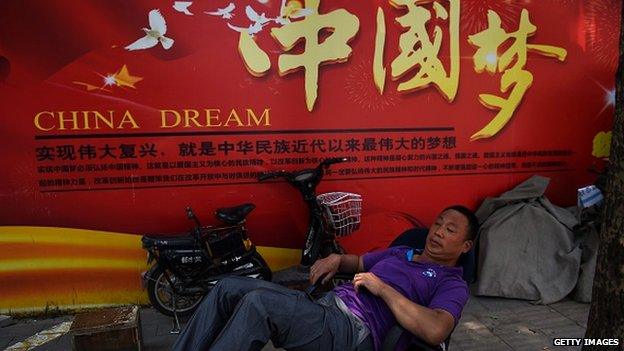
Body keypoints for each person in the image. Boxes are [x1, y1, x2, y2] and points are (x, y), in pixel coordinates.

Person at [172, 205, 478, 351]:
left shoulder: (450, 282)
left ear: (465, 246)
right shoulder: (402, 252)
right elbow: (356, 261)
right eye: (438, 223)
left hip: (351, 330)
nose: (438, 232)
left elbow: (437, 329)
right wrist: (335, 259)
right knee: (227, 287)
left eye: (450, 230)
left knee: (258, 304)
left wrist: (382, 288)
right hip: (325, 307)